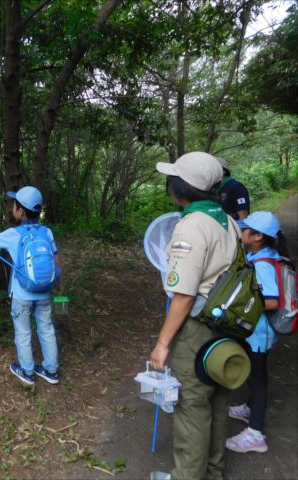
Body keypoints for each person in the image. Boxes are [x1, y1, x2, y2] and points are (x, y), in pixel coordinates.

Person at [149, 152, 241, 480]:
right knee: (217, 400)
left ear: (182, 188)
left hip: (200, 330)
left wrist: (162, 344)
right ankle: (213, 472)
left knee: (191, 407)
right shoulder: (227, 220)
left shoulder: (190, 225)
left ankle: (187, 476)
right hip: (229, 326)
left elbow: (184, 295)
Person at [0, 186, 63, 386]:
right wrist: (60, 287)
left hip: (22, 295)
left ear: (21, 211)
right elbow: (57, 261)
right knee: (47, 330)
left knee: (23, 333)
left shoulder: (14, 233)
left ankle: (28, 372)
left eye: (14, 204)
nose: (12, 207)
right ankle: (51, 371)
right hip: (45, 292)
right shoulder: (47, 232)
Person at [226, 212, 291, 454]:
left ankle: (255, 434)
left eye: (245, 230)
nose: (241, 232)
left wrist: (243, 305)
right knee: (256, 375)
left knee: (257, 379)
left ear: (257, 237)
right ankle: (249, 409)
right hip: (257, 331)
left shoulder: (263, 264)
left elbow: (272, 301)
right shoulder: (260, 254)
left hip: (258, 332)